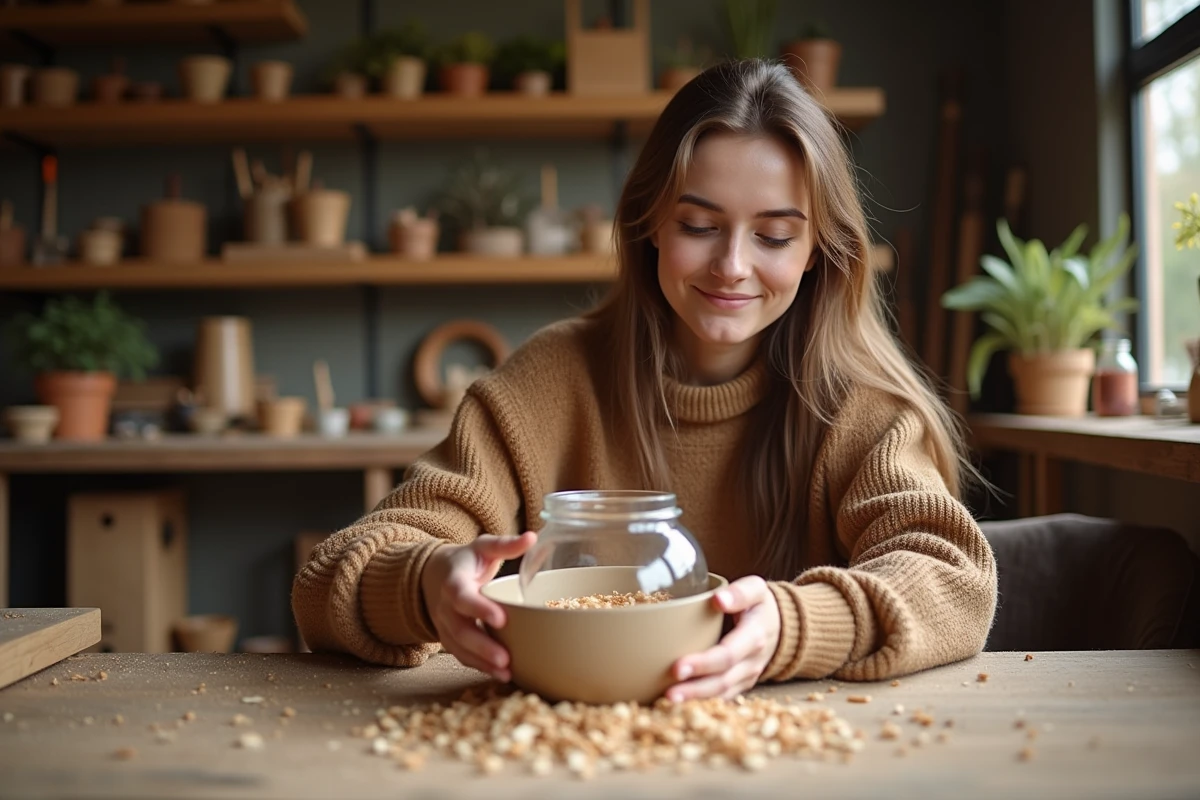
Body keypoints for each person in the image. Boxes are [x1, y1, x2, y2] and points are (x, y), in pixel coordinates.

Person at [292, 59, 997, 701]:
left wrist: (791, 625)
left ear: (818, 251)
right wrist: (425, 587)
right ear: (650, 223)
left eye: (775, 236)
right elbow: (326, 582)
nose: (731, 265)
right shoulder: (548, 381)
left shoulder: (860, 406)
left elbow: (955, 579)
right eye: (698, 224)